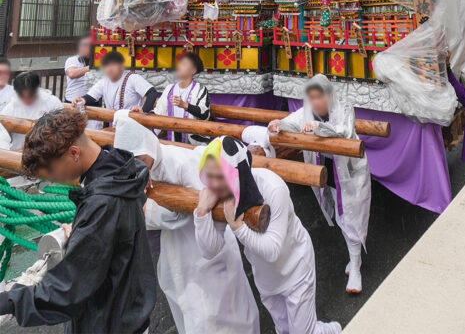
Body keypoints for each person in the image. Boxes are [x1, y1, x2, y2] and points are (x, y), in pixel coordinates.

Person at [0, 108, 156, 333]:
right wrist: (81, 229)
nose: (50, 177)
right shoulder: (122, 171)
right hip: (129, 308)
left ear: (74, 153)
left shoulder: (102, 204)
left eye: (50, 169)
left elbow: (67, 291)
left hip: (109, 322)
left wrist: (7, 301)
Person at [114, 111, 260, 334]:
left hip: (203, 248)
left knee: (219, 314)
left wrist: (145, 210)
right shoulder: (146, 168)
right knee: (188, 312)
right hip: (176, 249)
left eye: (140, 159)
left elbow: (187, 209)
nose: (137, 166)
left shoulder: (179, 163)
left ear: (148, 147)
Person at [195, 135, 341, 334]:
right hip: (266, 279)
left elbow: (273, 250)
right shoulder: (222, 193)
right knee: (284, 331)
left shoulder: (273, 188)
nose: (213, 185)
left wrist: (238, 228)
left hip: (296, 267)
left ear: (237, 173)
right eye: (208, 177)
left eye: (218, 177)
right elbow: (209, 250)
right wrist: (201, 214)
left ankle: (331, 330)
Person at [268, 74, 371, 292]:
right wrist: (277, 124)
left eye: (319, 96)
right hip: (328, 170)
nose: (315, 102)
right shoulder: (307, 112)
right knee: (342, 218)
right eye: (311, 97)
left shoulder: (344, 110)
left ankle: (356, 267)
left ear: (330, 95)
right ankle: (354, 260)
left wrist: (317, 127)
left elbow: (341, 131)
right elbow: (289, 122)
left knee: (352, 217)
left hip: (350, 172)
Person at [151, 52, 210, 145]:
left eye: (184, 64)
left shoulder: (200, 89)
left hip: (194, 142)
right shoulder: (169, 88)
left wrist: (184, 105)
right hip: (172, 139)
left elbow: (204, 113)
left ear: (193, 70)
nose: (179, 66)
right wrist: (143, 113)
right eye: (180, 63)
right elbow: (159, 111)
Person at [72, 50, 157, 114]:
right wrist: (82, 100)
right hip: (114, 121)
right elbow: (91, 96)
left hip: (134, 121)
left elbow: (152, 93)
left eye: (113, 64)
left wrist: (143, 110)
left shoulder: (133, 78)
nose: (110, 68)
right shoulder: (104, 81)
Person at [2, 72, 62, 149]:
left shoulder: (52, 102)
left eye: (30, 95)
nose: (27, 99)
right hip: (19, 152)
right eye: (22, 96)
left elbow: (61, 129)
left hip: (46, 151)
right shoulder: (11, 107)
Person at [64, 35, 92, 103]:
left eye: (86, 45)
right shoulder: (72, 60)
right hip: (73, 102)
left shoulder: (99, 61)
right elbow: (71, 74)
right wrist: (91, 67)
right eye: (81, 44)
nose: (82, 47)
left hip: (92, 101)